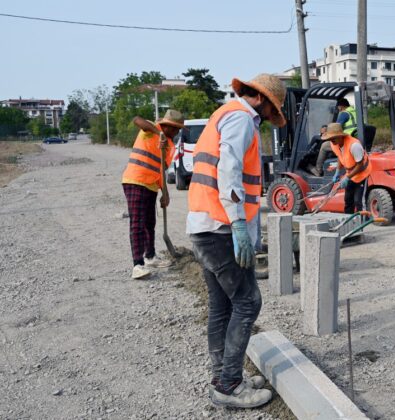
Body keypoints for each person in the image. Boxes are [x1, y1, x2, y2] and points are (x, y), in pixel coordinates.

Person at [186, 74, 286, 409]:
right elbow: (228, 168)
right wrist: (239, 222)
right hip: (221, 227)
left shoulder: (222, 114)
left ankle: (224, 375)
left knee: (222, 304)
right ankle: (228, 385)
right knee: (247, 302)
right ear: (263, 99)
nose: (271, 117)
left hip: (204, 224)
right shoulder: (241, 119)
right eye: (273, 109)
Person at [121, 109, 184, 280]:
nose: (177, 132)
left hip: (151, 186)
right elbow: (136, 118)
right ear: (168, 126)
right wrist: (159, 134)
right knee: (137, 223)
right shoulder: (150, 129)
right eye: (176, 128)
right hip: (135, 180)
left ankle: (150, 257)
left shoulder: (170, 145)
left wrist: (165, 193)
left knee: (150, 222)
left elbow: (161, 170)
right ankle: (137, 265)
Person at [321, 122, 372, 214]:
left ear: (340, 136)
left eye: (333, 138)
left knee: (358, 200)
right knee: (348, 200)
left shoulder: (354, 145)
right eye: (330, 139)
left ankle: (364, 222)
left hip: (361, 173)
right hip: (350, 173)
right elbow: (340, 156)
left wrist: (347, 177)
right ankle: (349, 221)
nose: (331, 140)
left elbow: (360, 165)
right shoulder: (334, 144)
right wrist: (337, 171)